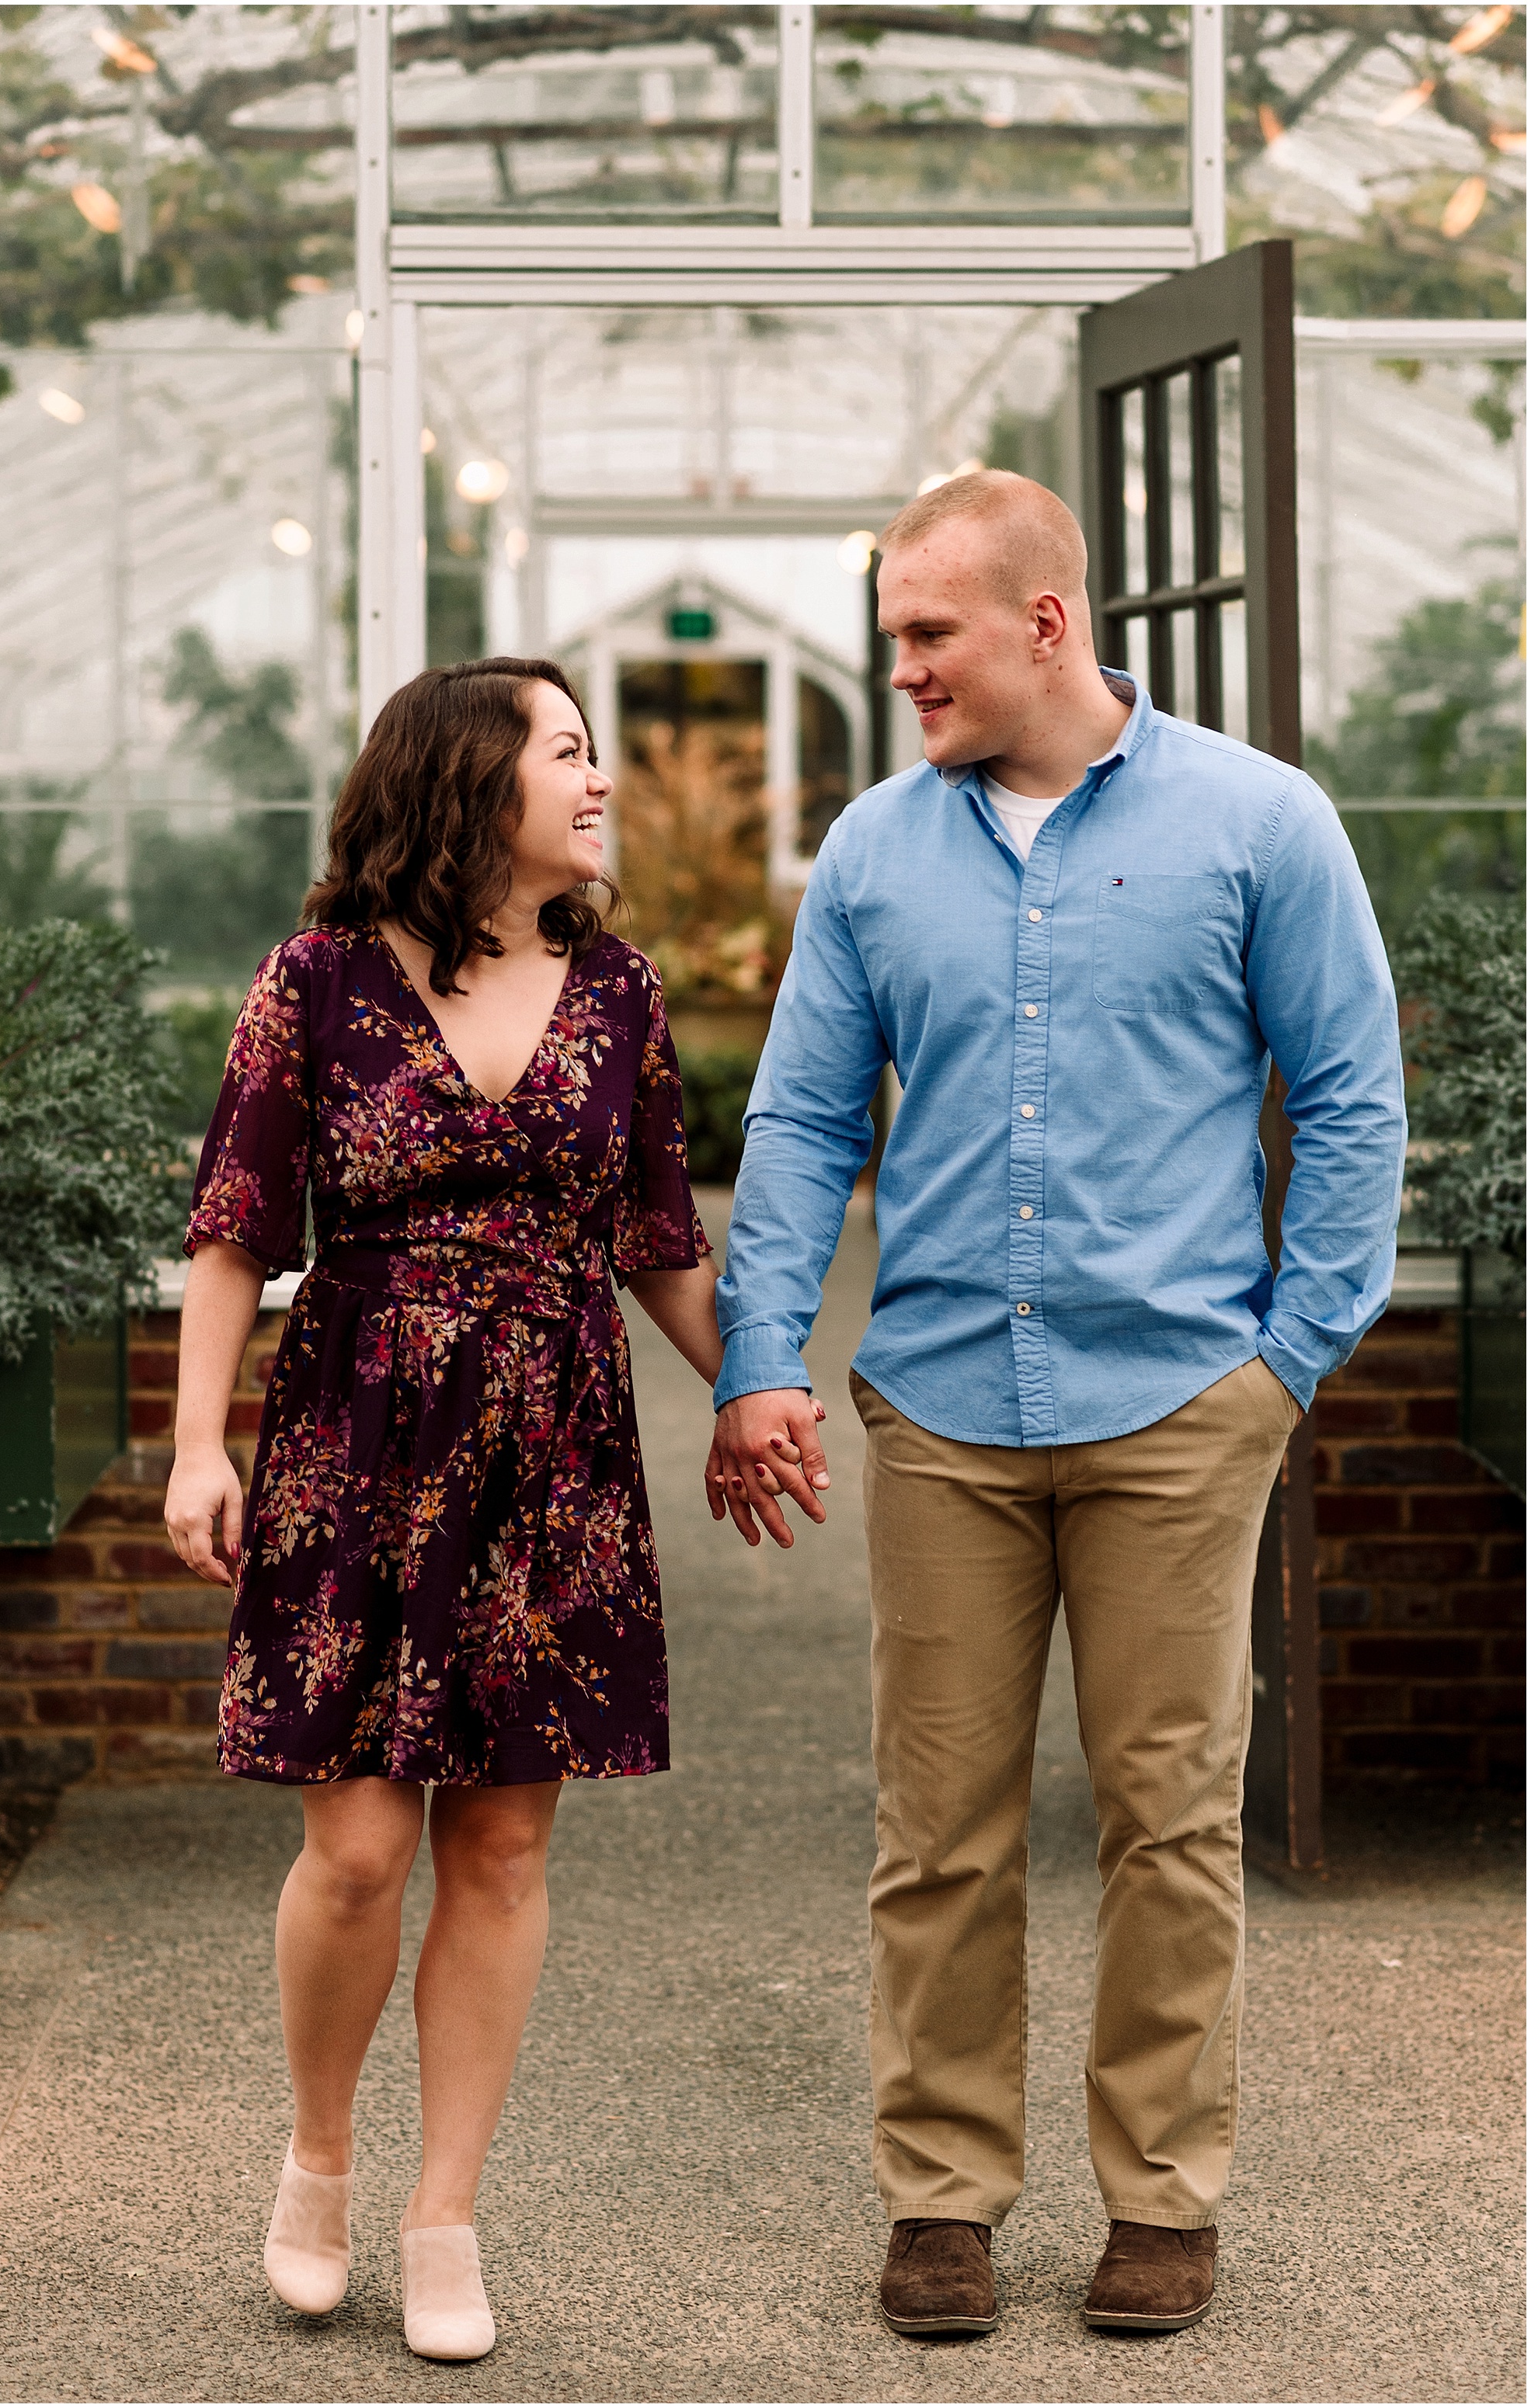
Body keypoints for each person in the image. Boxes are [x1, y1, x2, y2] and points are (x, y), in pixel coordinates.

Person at [705, 472, 1405, 2339]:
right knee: (936, 1827)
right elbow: (792, 1124)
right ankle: (940, 2198)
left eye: (929, 635)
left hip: (1180, 1398)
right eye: (891, 640)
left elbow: (1348, 1100)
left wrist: (1286, 1360)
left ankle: (1159, 2200)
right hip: (940, 1405)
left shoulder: (1258, 824)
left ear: (1044, 622)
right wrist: (762, 1357)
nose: (903, 670)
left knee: (1172, 1820)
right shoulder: (870, 853)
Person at [165, 658, 722, 2362]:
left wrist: (757, 1391)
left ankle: (443, 2212)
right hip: (357, 1435)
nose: (598, 778)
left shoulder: (618, 993)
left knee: (498, 1844)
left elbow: (656, 1240)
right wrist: (201, 1444)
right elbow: (237, 1223)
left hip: (552, 1453)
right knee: (352, 1852)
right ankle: (318, 2161)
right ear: (469, 781)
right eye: (564, 752)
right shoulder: (314, 981)